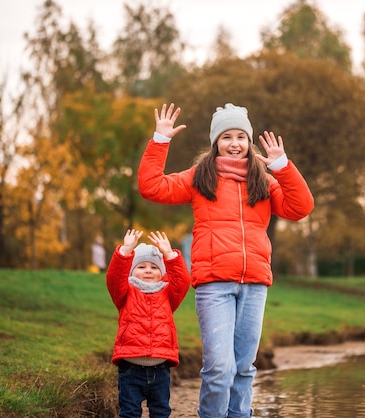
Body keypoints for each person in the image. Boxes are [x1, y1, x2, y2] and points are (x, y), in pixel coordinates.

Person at [138, 103, 314, 418]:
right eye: (226, 137)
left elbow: (300, 208)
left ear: (249, 142)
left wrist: (283, 167)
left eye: (241, 137)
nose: (234, 143)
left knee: (244, 367)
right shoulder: (199, 177)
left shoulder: (264, 180)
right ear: (215, 142)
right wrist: (160, 141)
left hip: (255, 283)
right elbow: (151, 187)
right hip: (214, 283)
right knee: (220, 366)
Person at [106, 229, 190, 418]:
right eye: (141, 267)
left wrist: (169, 255)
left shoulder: (168, 294)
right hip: (130, 368)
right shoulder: (124, 292)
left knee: (161, 411)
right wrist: (125, 252)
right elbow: (114, 278)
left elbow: (182, 281)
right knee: (129, 412)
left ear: (161, 272)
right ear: (132, 271)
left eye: (153, 267)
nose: (148, 271)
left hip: (160, 368)